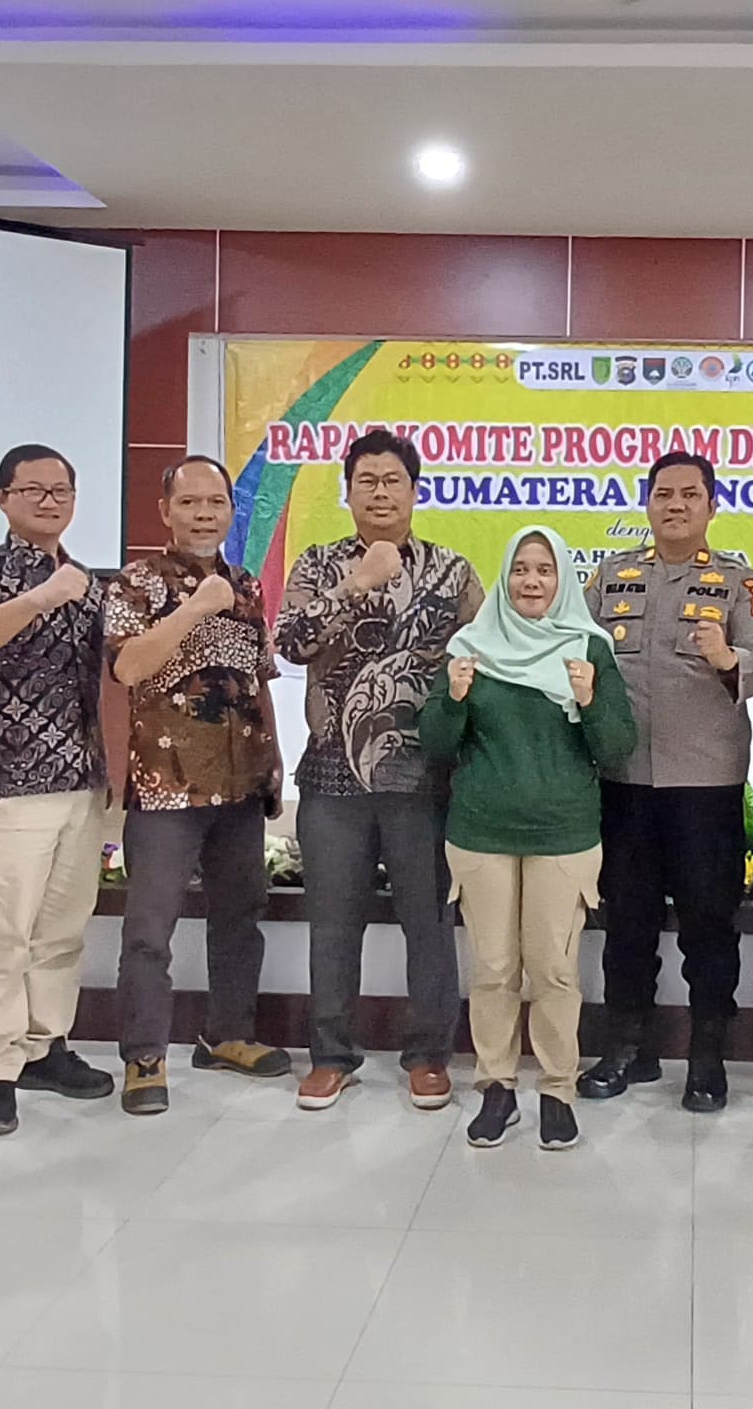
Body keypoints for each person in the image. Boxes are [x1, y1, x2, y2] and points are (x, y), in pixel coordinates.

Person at [276, 429, 484, 1113]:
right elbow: (291, 643)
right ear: (348, 492)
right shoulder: (319, 564)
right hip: (332, 777)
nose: (380, 492)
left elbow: (485, 660)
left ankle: (429, 1055)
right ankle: (331, 1057)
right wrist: (356, 584)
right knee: (333, 926)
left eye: (393, 480)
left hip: (423, 779)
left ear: (415, 491)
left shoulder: (452, 572)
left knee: (429, 924)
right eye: (366, 480)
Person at [420, 527, 637, 1150]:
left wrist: (589, 698)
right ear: (505, 579)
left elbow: (618, 746)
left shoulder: (588, 648)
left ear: (562, 580)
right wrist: (454, 698)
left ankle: (557, 1091)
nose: (531, 581)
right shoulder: (471, 647)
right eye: (520, 569)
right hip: (481, 832)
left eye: (544, 570)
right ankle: (496, 1088)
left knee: (554, 971)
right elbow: (435, 743)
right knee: (492, 970)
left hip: (563, 834)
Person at [579, 451, 753, 1112]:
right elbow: (575, 647)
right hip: (625, 779)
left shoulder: (739, 581)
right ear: (647, 503)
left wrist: (728, 657)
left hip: (705, 784)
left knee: (708, 926)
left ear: (712, 506)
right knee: (626, 922)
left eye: (690, 495)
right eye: (664, 494)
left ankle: (707, 1058)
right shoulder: (611, 576)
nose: (676, 505)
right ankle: (626, 1048)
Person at [102, 455, 289, 1114]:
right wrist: (195, 609)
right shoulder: (138, 582)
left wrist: (275, 755)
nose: (204, 514)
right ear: (166, 511)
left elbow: (259, 679)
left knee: (240, 916)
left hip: (240, 783)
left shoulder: (246, 586)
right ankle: (144, 1057)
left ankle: (227, 1034)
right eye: (190, 502)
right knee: (150, 929)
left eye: (216, 503)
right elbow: (127, 667)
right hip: (167, 788)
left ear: (232, 512)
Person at [0, 444, 117, 1138]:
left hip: (81, 780)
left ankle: (45, 1046)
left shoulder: (88, 582)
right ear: (2, 499)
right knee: (2, 936)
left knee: (61, 931)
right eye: (33, 490)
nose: (49, 501)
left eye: (61, 491)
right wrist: (41, 597)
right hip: (12, 781)